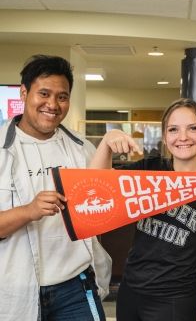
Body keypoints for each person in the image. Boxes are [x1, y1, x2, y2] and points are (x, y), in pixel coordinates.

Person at [89, 98, 196, 321]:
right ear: (165, 138)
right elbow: (95, 187)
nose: (183, 137)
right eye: (174, 129)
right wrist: (107, 141)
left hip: (174, 300)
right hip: (131, 291)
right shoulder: (150, 169)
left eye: (193, 128)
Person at [0, 55, 112, 321]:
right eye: (44, 94)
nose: (52, 104)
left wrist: (109, 143)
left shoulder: (82, 149)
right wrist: (29, 211)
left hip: (75, 285)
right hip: (14, 287)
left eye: (62, 97)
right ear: (24, 92)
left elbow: (104, 209)